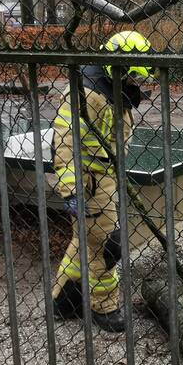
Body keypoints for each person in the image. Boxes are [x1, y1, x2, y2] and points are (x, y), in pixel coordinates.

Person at [50, 31, 153, 332]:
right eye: (133, 77)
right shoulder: (85, 93)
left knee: (85, 243)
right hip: (90, 183)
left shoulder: (112, 90)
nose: (137, 84)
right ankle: (104, 307)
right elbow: (65, 142)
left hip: (106, 180)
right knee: (108, 247)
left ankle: (63, 302)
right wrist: (71, 189)